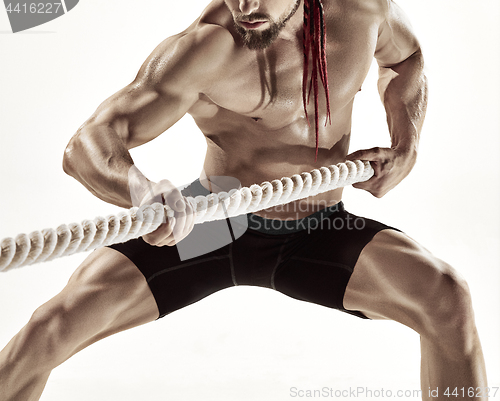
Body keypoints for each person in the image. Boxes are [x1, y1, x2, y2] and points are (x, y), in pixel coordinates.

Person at [0, 0, 488, 400]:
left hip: (318, 229)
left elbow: (406, 60)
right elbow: (89, 142)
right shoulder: (205, 48)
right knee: (48, 329)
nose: (246, 7)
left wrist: (406, 146)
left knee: (446, 297)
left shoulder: (362, 13)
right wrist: (140, 190)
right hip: (211, 224)